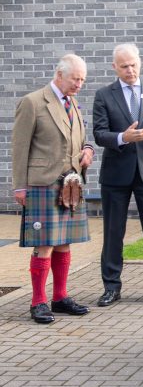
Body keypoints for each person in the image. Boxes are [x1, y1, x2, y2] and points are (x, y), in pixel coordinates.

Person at [12, 53, 95, 324]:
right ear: (59, 75)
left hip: (69, 185)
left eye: (82, 79)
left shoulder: (73, 104)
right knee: (44, 245)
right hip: (42, 183)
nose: (79, 84)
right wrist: (19, 187)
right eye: (75, 79)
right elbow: (19, 148)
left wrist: (88, 149)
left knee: (64, 244)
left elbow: (81, 139)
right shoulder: (33, 102)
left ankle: (60, 297)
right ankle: (38, 302)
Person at [92, 43, 143, 306]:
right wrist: (123, 137)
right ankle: (111, 287)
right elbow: (99, 134)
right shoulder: (104, 95)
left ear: (140, 63)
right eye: (124, 66)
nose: (130, 70)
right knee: (113, 232)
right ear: (115, 67)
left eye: (134, 64)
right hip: (116, 174)